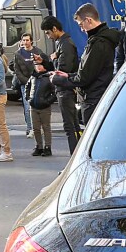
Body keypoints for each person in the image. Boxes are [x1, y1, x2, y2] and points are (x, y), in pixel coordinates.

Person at [52, 2, 121, 127]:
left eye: (81, 24)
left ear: (88, 20)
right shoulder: (100, 40)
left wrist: (61, 79)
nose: (81, 29)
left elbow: (84, 77)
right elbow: (87, 71)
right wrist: (68, 75)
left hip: (92, 100)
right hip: (96, 97)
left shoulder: (98, 43)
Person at [41, 16, 80, 153]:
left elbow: (64, 70)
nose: (48, 36)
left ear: (54, 29)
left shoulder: (66, 44)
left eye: (48, 33)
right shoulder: (63, 43)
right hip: (65, 89)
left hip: (65, 89)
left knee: (70, 126)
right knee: (73, 125)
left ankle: (74, 158)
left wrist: (54, 61)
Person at [11, 34, 46, 129]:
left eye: (27, 40)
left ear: (31, 41)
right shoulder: (18, 54)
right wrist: (26, 82)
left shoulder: (38, 52)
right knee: (27, 107)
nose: (25, 42)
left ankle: (39, 127)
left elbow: (43, 66)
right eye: (23, 40)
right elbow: (17, 70)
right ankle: (30, 128)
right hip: (25, 84)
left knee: (38, 106)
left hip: (37, 82)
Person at [28, 51, 56, 156]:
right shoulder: (33, 77)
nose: (38, 68)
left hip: (44, 107)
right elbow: (28, 88)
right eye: (36, 66)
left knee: (46, 127)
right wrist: (29, 99)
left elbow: (54, 92)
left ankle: (47, 147)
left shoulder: (48, 78)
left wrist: (48, 101)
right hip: (33, 106)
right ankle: (38, 146)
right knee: (35, 128)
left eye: (40, 65)